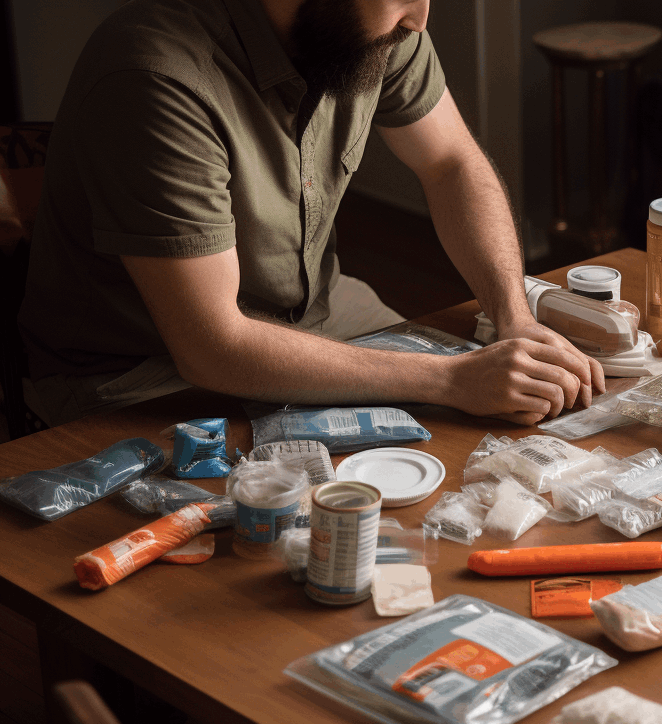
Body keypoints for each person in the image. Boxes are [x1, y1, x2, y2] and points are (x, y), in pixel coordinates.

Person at [18, 0, 604, 428]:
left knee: (486, 445)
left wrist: (513, 314)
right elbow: (212, 345)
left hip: (316, 315)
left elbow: (451, 163)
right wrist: (452, 379)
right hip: (144, 374)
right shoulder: (155, 75)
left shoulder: (379, 28)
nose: (420, 18)